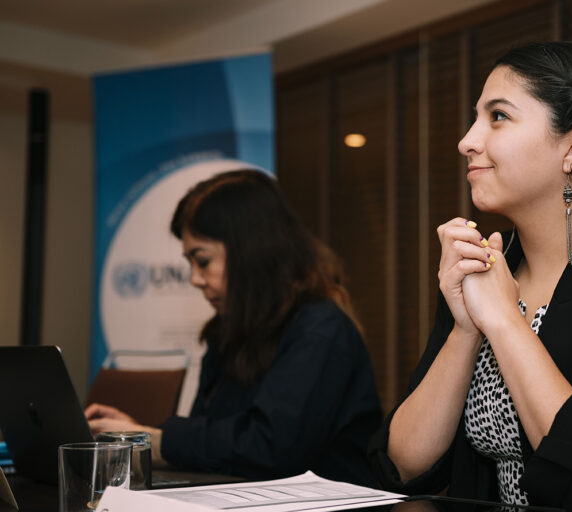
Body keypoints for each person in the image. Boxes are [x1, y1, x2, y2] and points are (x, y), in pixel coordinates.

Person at [368, 41, 572, 510]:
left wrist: (505, 321)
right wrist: (466, 329)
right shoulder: (487, 262)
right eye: (476, 118)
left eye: (498, 116)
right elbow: (403, 467)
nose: (467, 141)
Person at [87, 169, 382, 487]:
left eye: (202, 261)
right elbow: (215, 441)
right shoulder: (227, 330)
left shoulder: (321, 330)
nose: (194, 279)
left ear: (250, 253)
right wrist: (144, 436)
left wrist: (155, 440)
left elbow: (271, 447)